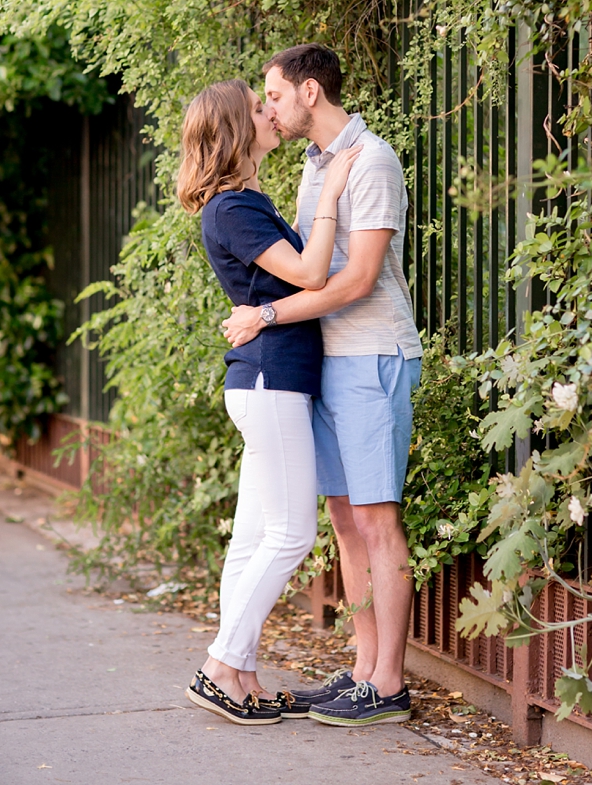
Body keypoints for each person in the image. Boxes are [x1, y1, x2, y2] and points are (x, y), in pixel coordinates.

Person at [222, 43, 424, 727]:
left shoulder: (371, 160)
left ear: (310, 92)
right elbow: (308, 265)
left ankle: (390, 683)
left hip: (371, 355)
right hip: (326, 362)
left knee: (376, 518)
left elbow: (359, 279)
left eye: (273, 95)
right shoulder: (315, 169)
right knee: (344, 519)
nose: (268, 108)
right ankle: (365, 668)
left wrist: (268, 314)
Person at [176, 78, 359, 726]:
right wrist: (334, 191)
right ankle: (220, 664)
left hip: (266, 380)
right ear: (233, 126)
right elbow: (312, 274)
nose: (270, 113)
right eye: (259, 106)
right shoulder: (233, 207)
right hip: (269, 379)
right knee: (291, 533)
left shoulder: (244, 199)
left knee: (253, 538)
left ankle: (241, 671)